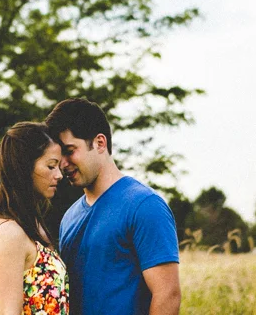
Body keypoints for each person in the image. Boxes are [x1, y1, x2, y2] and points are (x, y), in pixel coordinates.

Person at [45, 98, 181, 315]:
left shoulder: (144, 206)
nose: (63, 164)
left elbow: (168, 295)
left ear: (100, 143)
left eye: (69, 150)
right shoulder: (69, 217)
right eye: (59, 155)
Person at [0, 122, 69, 315]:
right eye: (51, 166)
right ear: (24, 167)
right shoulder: (9, 232)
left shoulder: (33, 226)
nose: (59, 175)